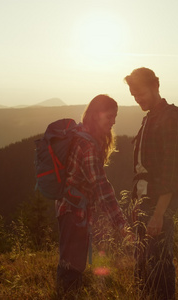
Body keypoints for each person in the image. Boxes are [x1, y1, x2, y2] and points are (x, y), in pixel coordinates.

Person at [55, 94, 129, 296]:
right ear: (97, 115)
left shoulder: (81, 134)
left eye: (115, 117)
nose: (113, 121)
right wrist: (121, 223)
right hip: (74, 213)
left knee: (69, 264)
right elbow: (101, 188)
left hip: (69, 209)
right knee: (72, 269)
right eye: (110, 116)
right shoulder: (88, 146)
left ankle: (64, 293)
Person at [125, 67, 178, 299]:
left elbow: (172, 172)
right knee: (142, 263)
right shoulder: (150, 117)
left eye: (140, 93)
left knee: (159, 264)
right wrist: (137, 204)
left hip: (158, 204)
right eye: (133, 95)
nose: (138, 99)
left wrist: (159, 213)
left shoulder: (170, 119)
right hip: (144, 202)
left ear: (155, 87)